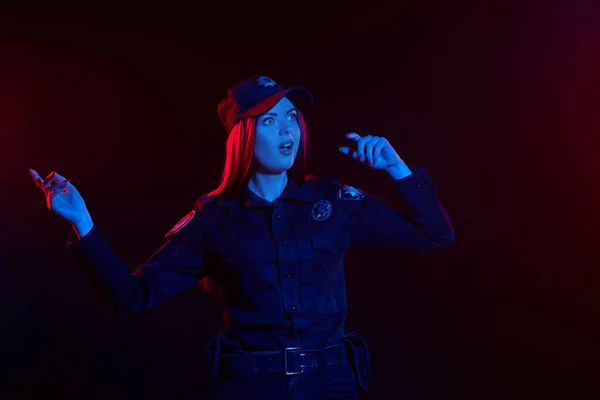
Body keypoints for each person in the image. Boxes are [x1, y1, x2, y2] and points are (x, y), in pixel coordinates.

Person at [29, 75, 455, 399]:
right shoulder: (213, 220)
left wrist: (397, 168)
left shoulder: (335, 201)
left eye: (292, 117)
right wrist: (81, 222)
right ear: (243, 137)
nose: (288, 131)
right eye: (270, 120)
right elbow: (131, 295)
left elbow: (433, 236)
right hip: (251, 388)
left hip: (332, 384)